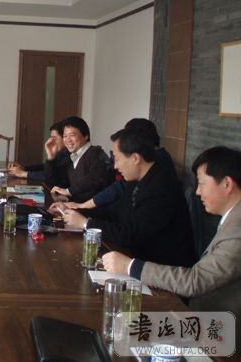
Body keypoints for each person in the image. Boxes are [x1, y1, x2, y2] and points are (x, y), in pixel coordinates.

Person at [103, 146, 241, 316]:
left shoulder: (237, 230)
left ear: (227, 184)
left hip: (218, 322)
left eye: (202, 183)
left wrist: (130, 266)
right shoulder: (233, 216)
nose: (198, 192)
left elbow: (195, 281)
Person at [63, 128, 196, 268]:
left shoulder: (161, 188)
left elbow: (131, 235)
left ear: (135, 158)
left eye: (117, 159)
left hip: (161, 269)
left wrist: (86, 223)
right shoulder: (137, 178)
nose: (115, 166)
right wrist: (76, 211)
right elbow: (113, 212)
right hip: (136, 258)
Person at [59, 118, 175, 211]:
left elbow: (116, 187)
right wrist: (82, 207)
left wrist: (83, 211)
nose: (116, 166)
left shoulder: (157, 162)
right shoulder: (155, 158)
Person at [44, 116, 113, 203]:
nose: (68, 140)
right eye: (65, 136)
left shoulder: (96, 153)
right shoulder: (72, 157)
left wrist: (68, 191)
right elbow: (52, 182)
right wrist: (51, 157)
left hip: (97, 210)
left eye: (72, 135)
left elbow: (95, 179)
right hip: (78, 207)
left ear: (85, 136)